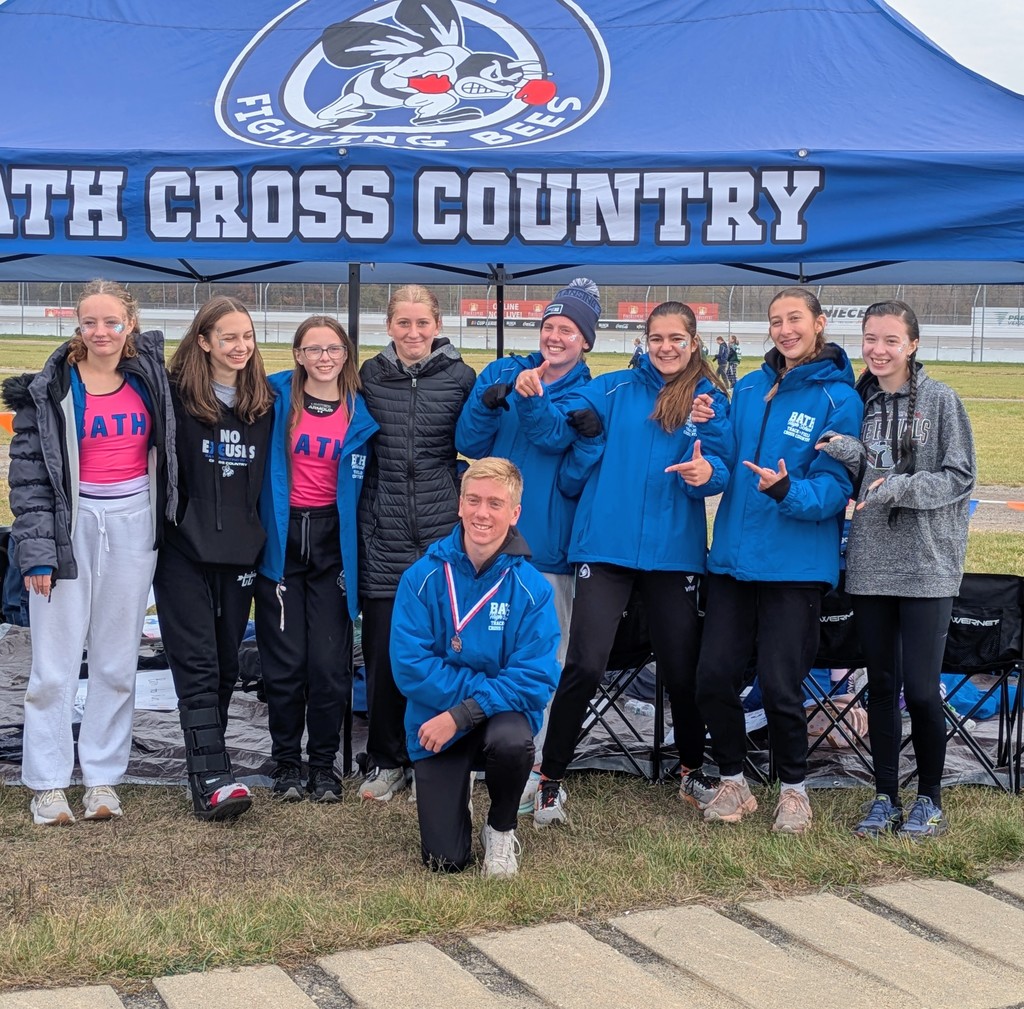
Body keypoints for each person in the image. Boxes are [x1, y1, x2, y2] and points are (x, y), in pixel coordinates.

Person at [518, 302, 734, 826]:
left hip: (674, 552)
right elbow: (554, 430)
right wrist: (532, 398)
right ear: (645, 340)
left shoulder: (708, 399)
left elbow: (723, 467)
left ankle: (690, 771)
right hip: (605, 548)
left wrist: (705, 472)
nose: (665, 347)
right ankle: (549, 779)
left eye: (676, 339)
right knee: (585, 664)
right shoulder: (613, 388)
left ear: (693, 343)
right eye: (657, 337)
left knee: (681, 668)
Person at [3, 279, 175, 826]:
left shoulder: (151, 381)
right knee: (54, 667)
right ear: (77, 327)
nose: (101, 332)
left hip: (133, 524)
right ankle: (48, 784)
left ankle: (102, 778)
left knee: (116, 661)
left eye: (112, 322)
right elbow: (29, 479)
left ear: (131, 325)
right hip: (68, 526)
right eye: (90, 322)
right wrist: (37, 553)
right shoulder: (51, 389)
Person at [693, 287, 863, 834]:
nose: (784, 329)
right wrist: (707, 441)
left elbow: (837, 490)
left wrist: (787, 490)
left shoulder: (840, 399)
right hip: (733, 564)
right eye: (775, 321)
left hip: (794, 567)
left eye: (795, 319)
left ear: (819, 322)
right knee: (714, 677)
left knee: (781, 684)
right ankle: (733, 781)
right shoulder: (748, 386)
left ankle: (794, 791)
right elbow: (723, 461)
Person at [818, 301, 975, 839]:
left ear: (912, 344)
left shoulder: (941, 400)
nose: (878, 350)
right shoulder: (857, 400)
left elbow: (960, 476)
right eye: (869, 339)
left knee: (924, 691)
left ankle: (928, 797)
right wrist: (846, 450)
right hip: (869, 562)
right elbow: (872, 469)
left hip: (928, 562)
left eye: (889, 340)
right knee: (881, 685)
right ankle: (884, 795)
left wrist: (900, 487)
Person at [455, 277, 596, 815]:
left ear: (585, 339)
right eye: (549, 326)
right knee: (479, 654)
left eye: (567, 329)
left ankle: (534, 771)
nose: (555, 337)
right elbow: (468, 442)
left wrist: (528, 399)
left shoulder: (588, 389)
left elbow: (554, 439)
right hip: (485, 548)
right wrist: (494, 402)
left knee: (545, 665)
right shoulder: (503, 369)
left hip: (546, 551)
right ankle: (472, 762)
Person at [390, 457, 560, 875]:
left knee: (513, 742)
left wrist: (462, 712)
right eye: (474, 501)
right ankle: (456, 792)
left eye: (495, 504)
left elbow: (535, 678)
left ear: (515, 513)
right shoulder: (421, 577)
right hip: (436, 724)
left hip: (491, 720)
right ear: (460, 505)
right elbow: (410, 666)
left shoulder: (532, 588)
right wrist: (468, 704)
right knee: (444, 861)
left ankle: (500, 829)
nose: (483, 513)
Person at [153, 296, 273, 821]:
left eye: (246, 336)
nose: (240, 346)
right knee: (197, 662)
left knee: (226, 663)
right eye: (228, 337)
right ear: (203, 341)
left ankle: (209, 766)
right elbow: (122, 360)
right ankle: (211, 778)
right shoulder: (172, 396)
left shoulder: (266, 401)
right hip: (183, 549)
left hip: (240, 551)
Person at [357, 285, 476, 801]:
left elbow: (477, 440)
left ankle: (436, 755)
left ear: (436, 325)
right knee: (384, 657)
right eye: (403, 324)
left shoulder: (460, 378)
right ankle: (386, 760)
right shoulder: (366, 377)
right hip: (383, 535)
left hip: (439, 536)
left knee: (443, 654)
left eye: (421, 324)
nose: (412, 333)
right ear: (389, 326)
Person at [256, 316, 378, 803]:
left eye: (333, 349)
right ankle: (287, 762)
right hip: (283, 541)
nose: (324, 358)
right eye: (313, 349)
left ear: (346, 354)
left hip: (333, 544)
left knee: (329, 665)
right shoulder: (274, 397)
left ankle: (323, 765)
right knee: (286, 664)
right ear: (299, 355)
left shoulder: (360, 411)